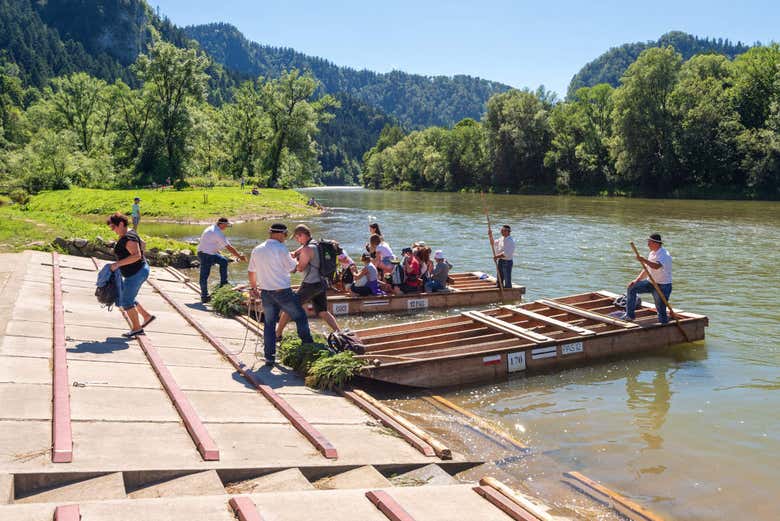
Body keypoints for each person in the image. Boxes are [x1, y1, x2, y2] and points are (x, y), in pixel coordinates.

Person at [248, 223, 313, 366]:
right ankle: (308, 346)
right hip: (283, 292)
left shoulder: (257, 249)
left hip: (266, 293)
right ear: (279, 234)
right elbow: (294, 269)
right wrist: (296, 258)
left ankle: (269, 357)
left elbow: (251, 271)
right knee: (300, 316)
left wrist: (253, 288)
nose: (285, 237)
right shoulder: (281, 248)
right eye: (285, 234)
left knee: (269, 324)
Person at [276, 224, 340, 337]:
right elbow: (300, 250)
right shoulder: (317, 244)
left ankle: (278, 334)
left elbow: (300, 268)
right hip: (321, 283)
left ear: (302, 235)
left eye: (297, 238)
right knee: (323, 311)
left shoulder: (307, 249)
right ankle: (339, 332)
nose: (297, 240)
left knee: (289, 307)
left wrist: (290, 263)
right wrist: (294, 254)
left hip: (310, 284)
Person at [107, 213, 155, 338]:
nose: (113, 230)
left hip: (136, 273)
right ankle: (146, 316)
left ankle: (137, 329)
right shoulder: (130, 233)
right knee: (127, 296)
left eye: (113, 227)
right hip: (139, 270)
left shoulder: (128, 237)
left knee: (126, 301)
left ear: (121, 224)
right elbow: (143, 244)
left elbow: (137, 255)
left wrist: (117, 264)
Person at [622, 233, 673, 323]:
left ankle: (664, 324)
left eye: (650, 242)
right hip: (650, 283)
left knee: (660, 308)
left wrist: (644, 260)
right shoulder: (652, 253)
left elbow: (656, 266)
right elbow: (647, 269)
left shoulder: (664, 254)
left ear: (656, 243)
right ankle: (629, 316)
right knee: (632, 288)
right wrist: (637, 280)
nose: (648, 244)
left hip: (662, 286)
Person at [197, 217, 246, 303]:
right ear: (221, 224)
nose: (226, 227)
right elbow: (229, 247)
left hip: (209, 253)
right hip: (206, 255)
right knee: (204, 276)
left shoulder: (212, 228)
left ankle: (223, 283)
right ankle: (204, 296)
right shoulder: (217, 233)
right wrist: (239, 256)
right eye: (226, 225)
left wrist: (217, 251)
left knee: (223, 261)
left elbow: (209, 242)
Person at [493, 224, 515, 289]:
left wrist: (496, 257)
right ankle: (499, 288)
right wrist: (490, 235)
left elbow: (505, 254)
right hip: (501, 260)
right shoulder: (501, 238)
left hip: (507, 262)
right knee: (499, 278)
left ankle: (508, 291)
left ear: (508, 232)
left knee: (507, 279)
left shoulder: (510, 241)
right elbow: (493, 242)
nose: (501, 232)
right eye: (501, 230)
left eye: (503, 230)